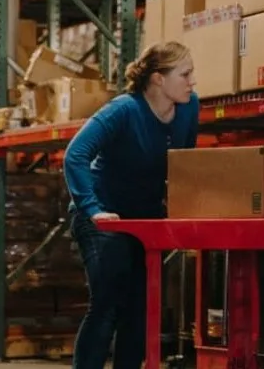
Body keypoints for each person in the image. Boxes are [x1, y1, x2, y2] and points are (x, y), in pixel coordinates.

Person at [63, 42, 200, 369]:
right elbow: (75, 155)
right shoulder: (122, 110)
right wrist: (93, 209)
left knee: (141, 307)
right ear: (158, 79)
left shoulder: (190, 107)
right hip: (103, 215)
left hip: (145, 217)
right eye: (185, 74)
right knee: (108, 302)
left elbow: (185, 163)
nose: (192, 81)